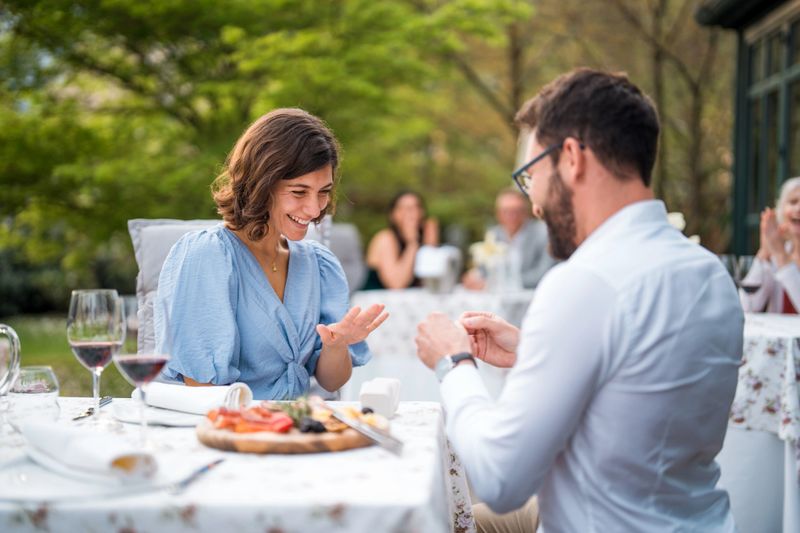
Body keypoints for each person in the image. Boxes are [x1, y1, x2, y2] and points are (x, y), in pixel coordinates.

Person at [415, 68, 742, 532]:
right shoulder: (710, 272)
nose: (535, 205)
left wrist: (454, 363)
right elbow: (643, 382)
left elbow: (500, 477)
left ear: (571, 158)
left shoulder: (585, 282)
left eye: (531, 177)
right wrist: (534, 349)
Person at [155, 108, 388, 400]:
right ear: (261, 185)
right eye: (299, 192)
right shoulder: (209, 256)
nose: (315, 210)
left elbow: (331, 382)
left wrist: (336, 345)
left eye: (323, 192)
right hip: (218, 428)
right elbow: (204, 390)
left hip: (290, 426)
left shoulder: (318, 263)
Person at [462, 187, 556, 290]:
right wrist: (474, 277)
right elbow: (485, 270)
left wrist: (495, 284)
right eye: (506, 211)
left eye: (516, 211)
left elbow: (544, 273)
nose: (512, 216)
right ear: (498, 213)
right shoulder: (494, 235)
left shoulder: (543, 233)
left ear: (526, 212)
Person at [740, 176, 800, 313]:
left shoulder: (780, 254)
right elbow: (746, 307)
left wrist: (781, 256)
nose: (798, 208)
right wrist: (765, 251)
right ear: (781, 211)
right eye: (793, 202)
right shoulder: (776, 255)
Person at [362, 190, 439, 290]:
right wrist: (412, 244)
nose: (411, 214)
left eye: (415, 208)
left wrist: (430, 247)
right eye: (405, 208)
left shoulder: (424, 239)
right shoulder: (385, 239)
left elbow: (431, 284)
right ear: (393, 214)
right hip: (376, 302)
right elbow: (396, 285)